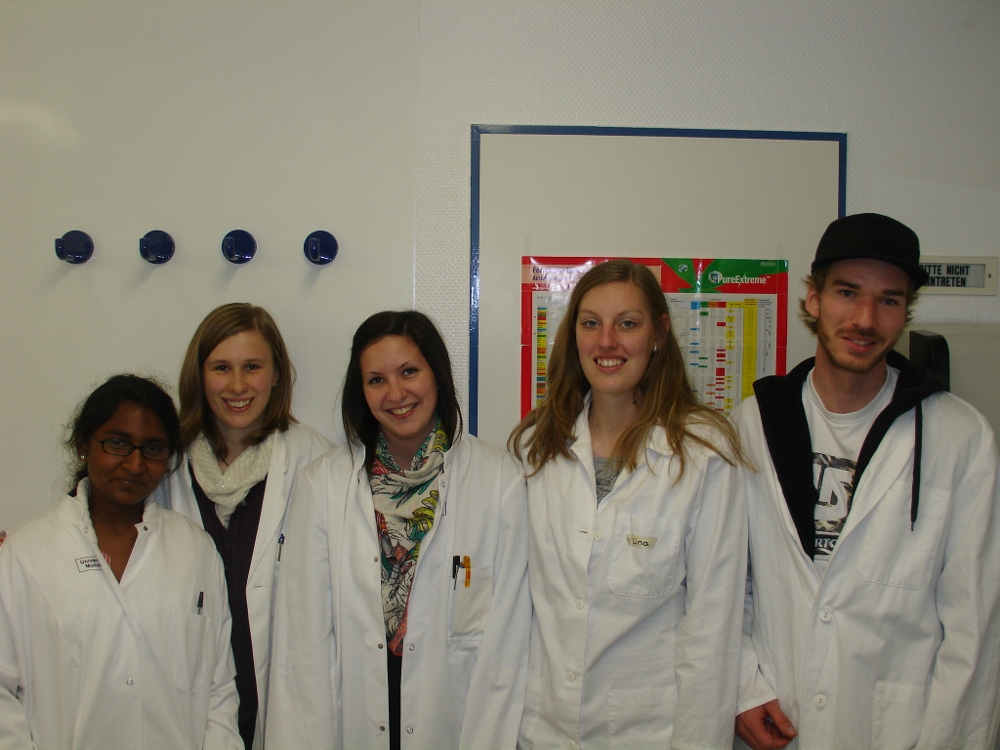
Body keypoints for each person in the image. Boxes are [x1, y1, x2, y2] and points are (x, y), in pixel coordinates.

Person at [734, 213, 1000, 749]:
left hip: (899, 730)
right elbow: (727, 580)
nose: (864, 319)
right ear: (814, 299)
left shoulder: (959, 436)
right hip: (779, 716)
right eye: (847, 292)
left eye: (888, 300)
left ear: (905, 312)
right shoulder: (755, 422)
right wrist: (742, 686)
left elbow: (975, 624)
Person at [509, 259, 749, 749]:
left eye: (627, 324)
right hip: (541, 730)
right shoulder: (535, 447)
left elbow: (713, 629)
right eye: (590, 324)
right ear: (574, 337)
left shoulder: (704, 454)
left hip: (651, 734)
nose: (606, 342)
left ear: (658, 334)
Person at [266, 310, 530, 750]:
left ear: (437, 375)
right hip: (352, 713)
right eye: (376, 380)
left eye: (409, 372)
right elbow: (302, 645)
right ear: (361, 391)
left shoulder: (499, 480)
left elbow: (508, 643)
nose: (396, 394)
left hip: (455, 717)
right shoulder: (322, 485)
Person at [0, 374, 242, 748]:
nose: (134, 464)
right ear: (83, 445)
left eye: (154, 448)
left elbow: (219, 691)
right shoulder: (26, 552)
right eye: (117, 443)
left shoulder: (195, 550)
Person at [159, 302, 333, 749]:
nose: (237, 385)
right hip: (190, 691)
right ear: (199, 376)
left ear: (276, 375)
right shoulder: (164, 466)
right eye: (221, 368)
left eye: (252, 367)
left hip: (284, 698)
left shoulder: (317, 462)